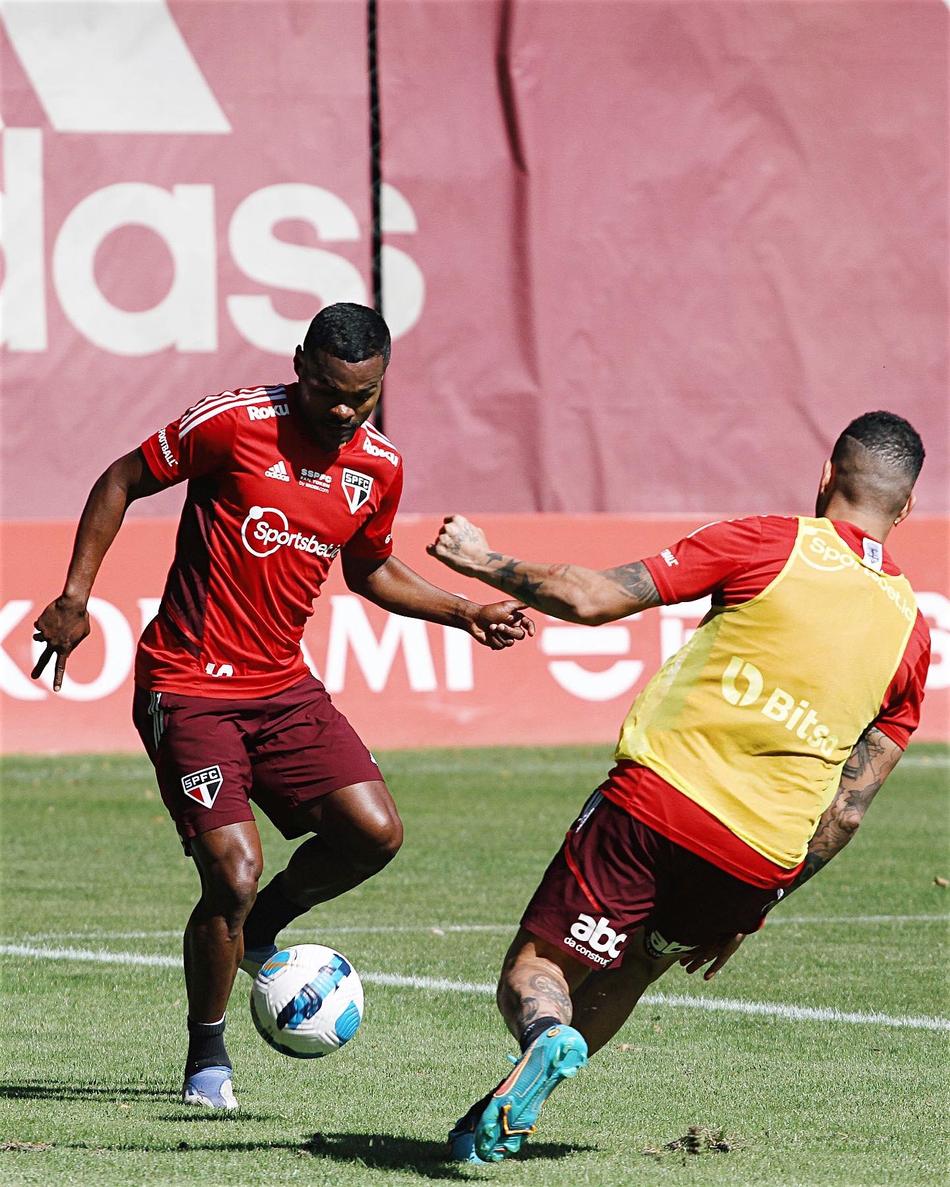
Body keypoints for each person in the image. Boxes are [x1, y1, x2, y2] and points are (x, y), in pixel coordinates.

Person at [31, 302, 533, 1111]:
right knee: (230, 869)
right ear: (300, 363)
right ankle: (206, 1057)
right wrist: (75, 595)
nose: (344, 412)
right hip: (188, 684)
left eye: (361, 398)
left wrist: (464, 609)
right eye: (331, 392)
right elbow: (122, 478)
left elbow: (370, 569)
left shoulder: (378, 466)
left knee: (375, 833)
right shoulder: (232, 423)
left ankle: (261, 927)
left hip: (280, 687)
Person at [428, 410, 930, 1163]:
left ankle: (541, 1038)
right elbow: (849, 809)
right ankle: (496, 1116)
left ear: (826, 475)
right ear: (906, 508)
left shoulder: (767, 541)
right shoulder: (913, 634)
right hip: (756, 860)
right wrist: (761, 901)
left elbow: (592, 597)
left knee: (535, 971)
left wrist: (481, 559)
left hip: (654, 807)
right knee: (636, 967)